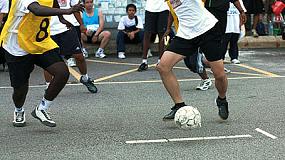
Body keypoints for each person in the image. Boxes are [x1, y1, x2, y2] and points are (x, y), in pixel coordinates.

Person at [157, 0, 246, 121]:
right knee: (163, 66)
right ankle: (179, 106)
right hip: (186, 33)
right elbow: (171, 12)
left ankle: (222, 99)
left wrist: (241, 10)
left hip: (207, 29)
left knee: (219, 75)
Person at [0, 0, 84, 127]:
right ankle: (19, 110)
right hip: (17, 46)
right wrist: (67, 11)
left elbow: (53, 2)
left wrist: (61, 19)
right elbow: (37, 9)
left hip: (40, 42)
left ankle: (42, 108)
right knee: (20, 89)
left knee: (62, 73)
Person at [44, 0, 98, 94]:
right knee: (48, 60)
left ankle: (85, 78)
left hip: (67, 27)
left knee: (79, 56)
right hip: (49, 30)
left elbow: (75, 8)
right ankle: (48, 86)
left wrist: (81, 24)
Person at [137, 0, 169, 71]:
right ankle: (144, 62)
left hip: (163, 8)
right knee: (147, 34)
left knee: (161, 35)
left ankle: (160, 61)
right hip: (150, 8)